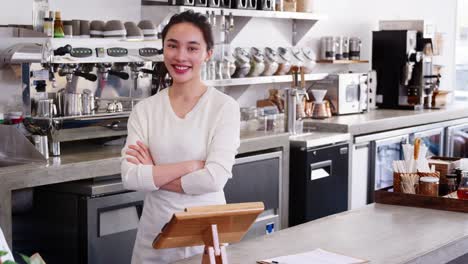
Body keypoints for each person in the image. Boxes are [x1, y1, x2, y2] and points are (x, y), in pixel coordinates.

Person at [121, 10, 240, 264]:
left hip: (205, 240)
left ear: (208, 53)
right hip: (154, 240)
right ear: (163, 49)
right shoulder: (146, 110)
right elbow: (131, 176)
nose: (181, 56)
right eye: (172, 46)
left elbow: (214, 178)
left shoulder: (224, 107)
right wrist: (189, 167)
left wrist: (154, 173)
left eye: (192, 48)